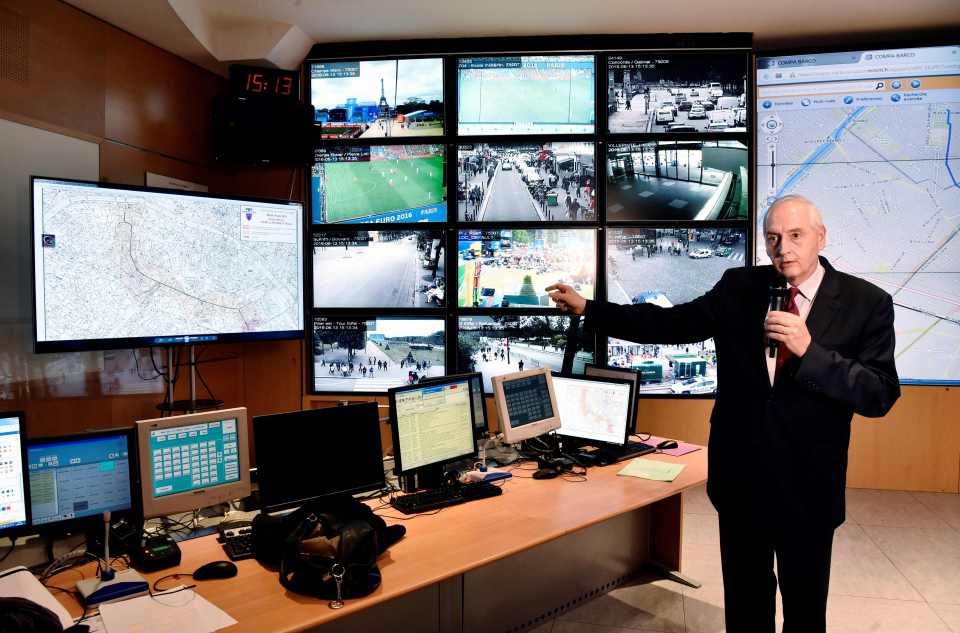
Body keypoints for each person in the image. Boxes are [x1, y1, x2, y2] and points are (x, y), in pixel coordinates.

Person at [546, 194, 899, 633]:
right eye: (772, 238)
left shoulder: (868, 303)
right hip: (741, 484)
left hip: (808, 489)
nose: (782, 248)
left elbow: (879, 394)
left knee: (805, 611)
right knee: (746, 609)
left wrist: (810, 351)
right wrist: (590, 309)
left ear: (820, 238)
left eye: (795, 236)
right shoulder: (740, 287)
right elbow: (670, 324)